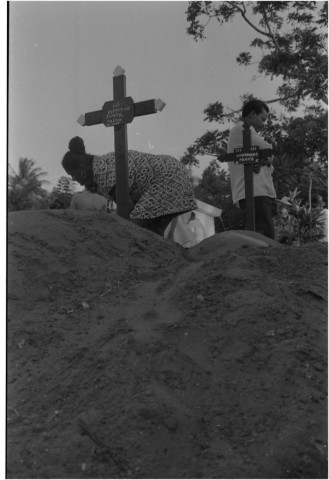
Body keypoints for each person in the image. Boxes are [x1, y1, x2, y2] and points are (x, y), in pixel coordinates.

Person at [62, 137, 197, 236]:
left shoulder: (101, 171)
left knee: (132, 231)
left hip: (167, 177)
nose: (74, 179)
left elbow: (126, 209)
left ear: (81, 169)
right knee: (152, 234)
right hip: (175, 172)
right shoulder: (102, 163)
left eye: (72, 175)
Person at [227, 99, 276, 239]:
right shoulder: (243, 129)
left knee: (257, 233)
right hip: (255, 192)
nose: (263, 124)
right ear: (252, 114)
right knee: (263, 237)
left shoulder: (243, 131)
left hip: (257, 192)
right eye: (262, 119)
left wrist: (266, 158)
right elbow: (268, 150)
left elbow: (267, 155)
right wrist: (266, 159)